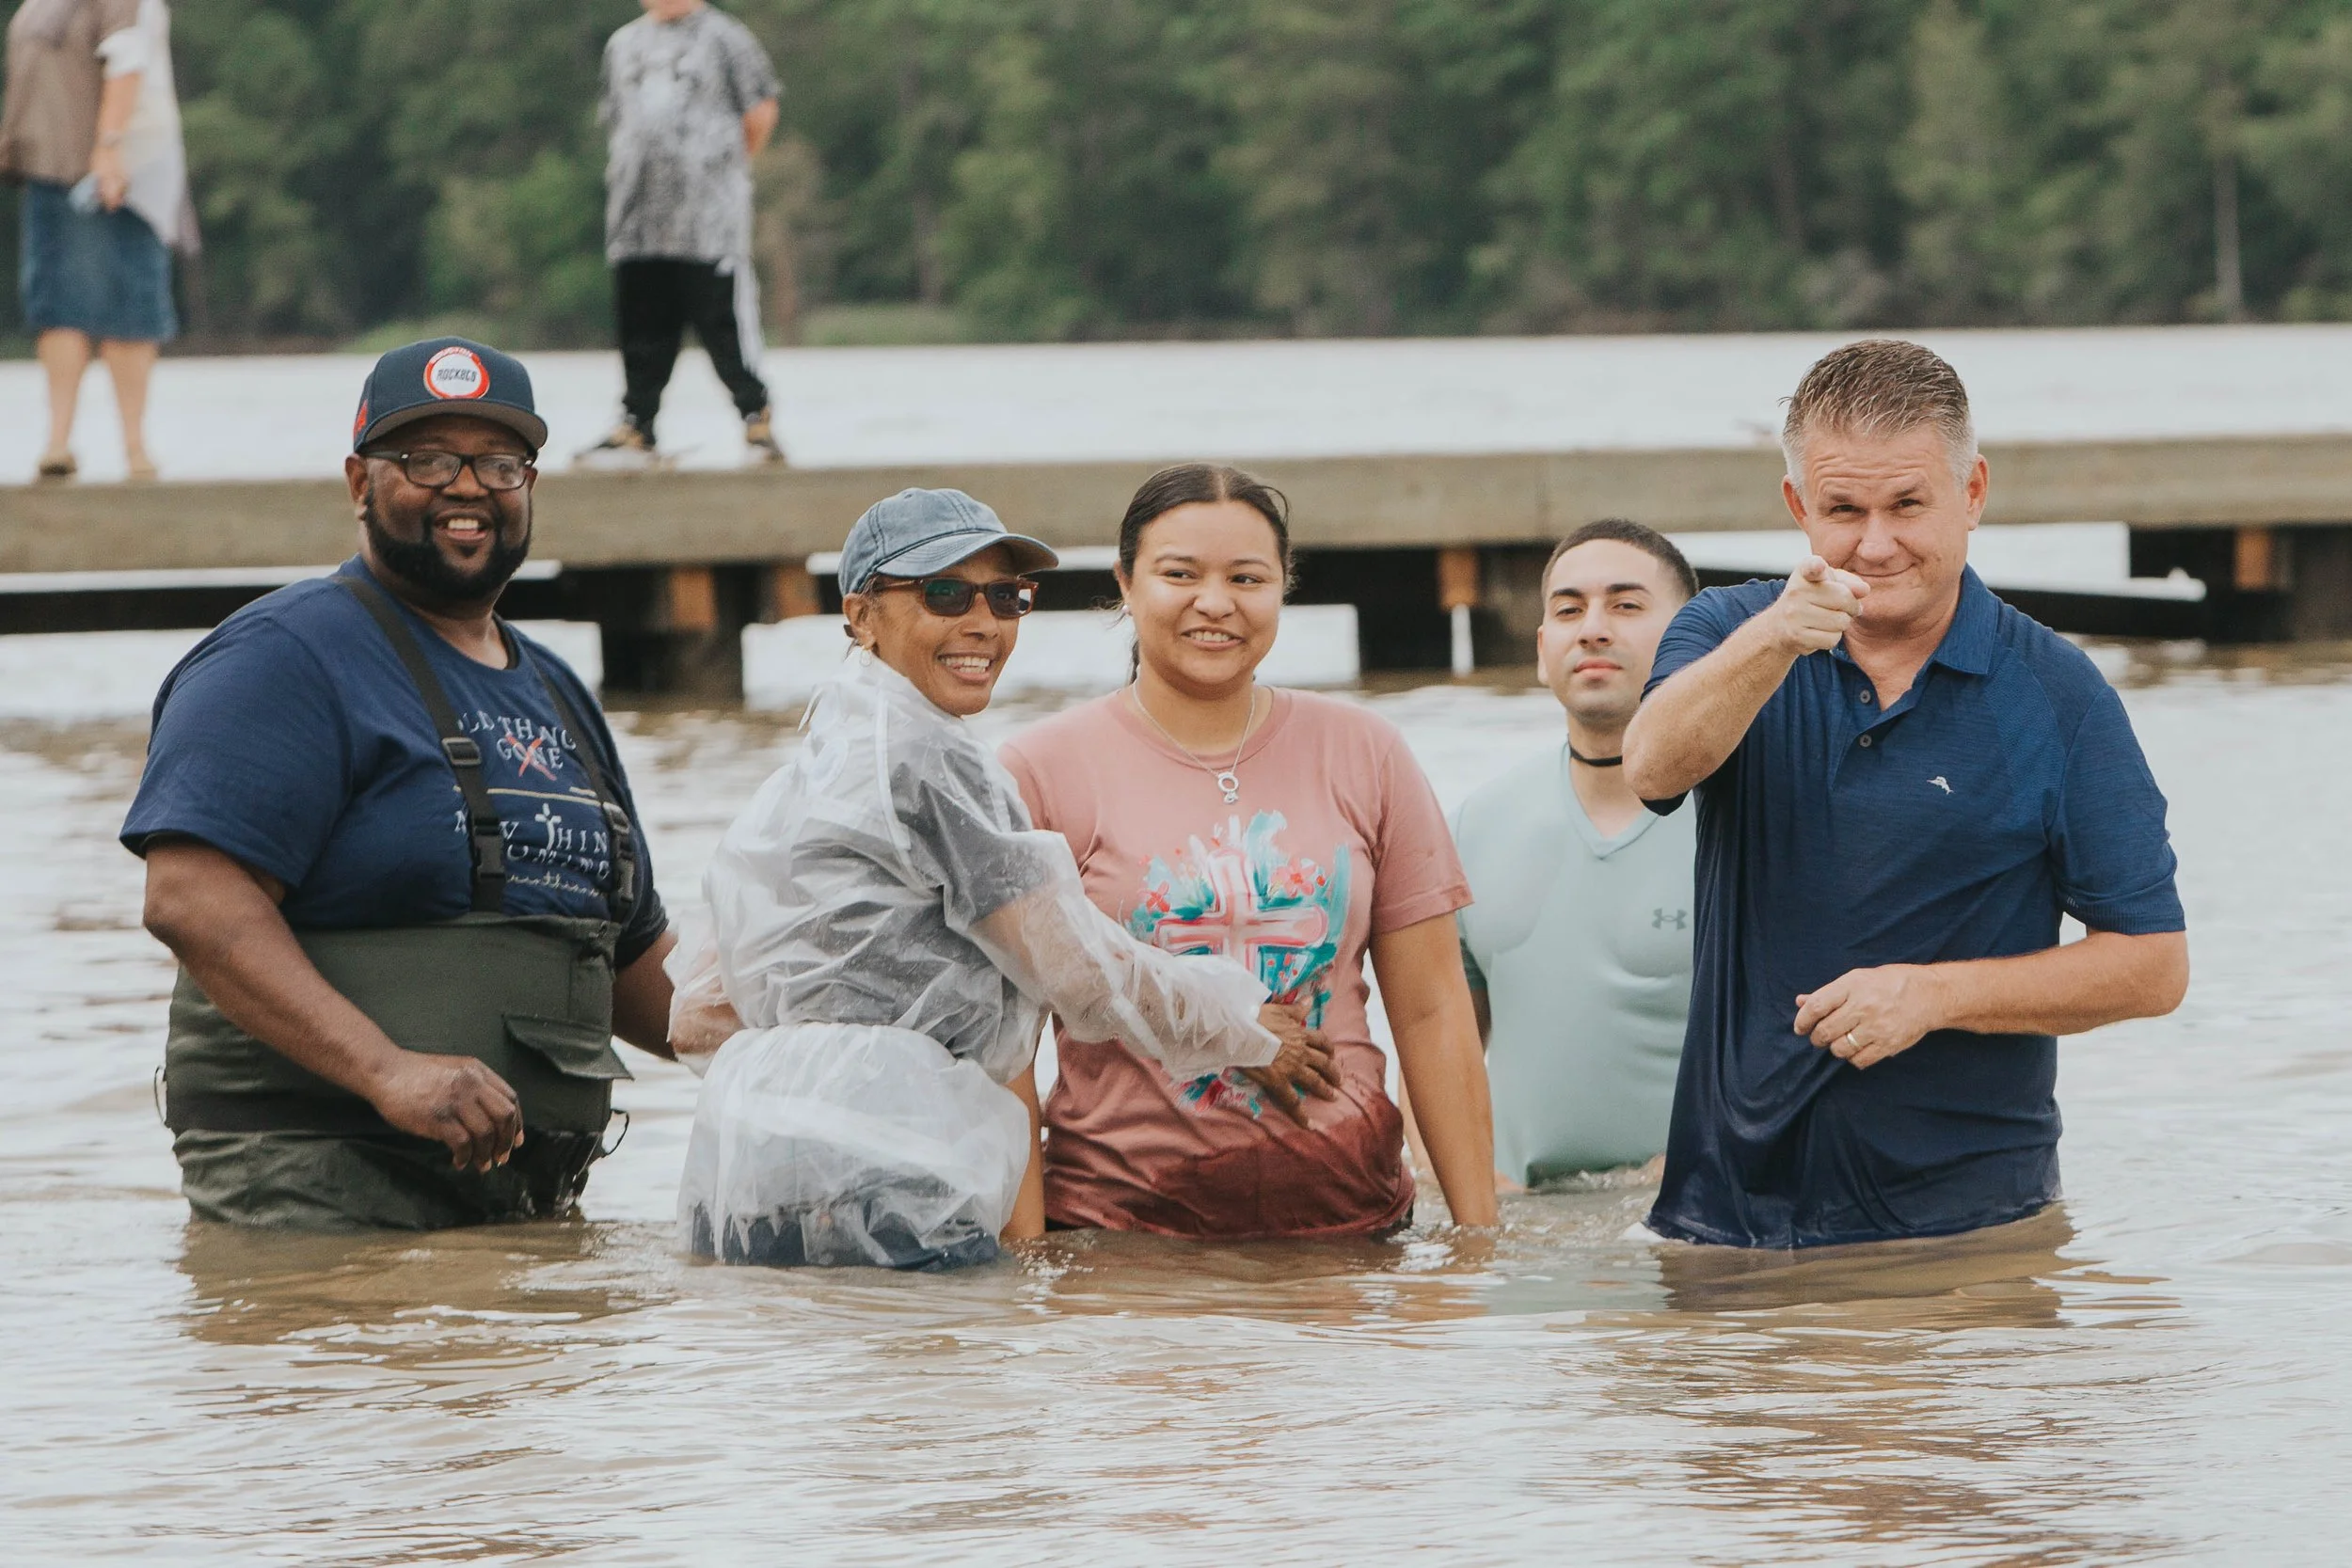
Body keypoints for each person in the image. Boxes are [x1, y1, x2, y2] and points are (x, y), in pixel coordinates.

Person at [1622, 338, 2189, 1249]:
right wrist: (1775, 642)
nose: (1875, 543)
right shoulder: (1727, 630)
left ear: (1971, 494)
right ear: (1797, 506)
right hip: (1724, 1220)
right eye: (1843, 508)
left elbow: (2153, 965)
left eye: (1907, 504)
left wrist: (1932, 995)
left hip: (1965, 1229)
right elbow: (1649, 768)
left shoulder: (2058, 694)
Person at [670, 487, 1327, 1270]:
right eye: (944, 593)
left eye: (1008, 597)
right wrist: (1240, 1026)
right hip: (890, 1172)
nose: (982, 622)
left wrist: (815, 1069)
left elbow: (698, 1013)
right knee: (950, 1382)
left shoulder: (804, 770)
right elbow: (1076, 970)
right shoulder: (933, 758)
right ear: (861, 615)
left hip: (747, 1174)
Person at [122, 337, 677, 1230]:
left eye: (498, 461)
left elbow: (636, 960)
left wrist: (785, 1044)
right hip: (318, 1199)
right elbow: (191, 898)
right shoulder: (286, 655)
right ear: (358, 482)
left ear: (530, 484)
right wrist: (388, 1068)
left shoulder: (559, 692)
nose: (467, 486)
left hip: (525, 1213)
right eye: (426, 458)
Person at [999, 464, 1501, 1240]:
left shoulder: (1366, 752)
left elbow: (1433, 1009)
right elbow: (1005, 1041)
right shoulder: (1042, 770)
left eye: (1247, 577)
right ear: (1126, 584)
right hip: (1122, 1236)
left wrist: (1478, 1243)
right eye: (1180, 573)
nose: (1216, 602)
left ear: (1283, 586)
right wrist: (1028, 1261)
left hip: (1354, 1224)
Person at [1453, 518, 1699, 1191]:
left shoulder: (1748, 823)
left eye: (1625, 605)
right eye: (1569, 609)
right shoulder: (1475, 824)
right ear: (1542, 649)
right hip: (1521, 1246)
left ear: (1693, 638)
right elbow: (1436, 1047)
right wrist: (1460, 1189)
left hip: (1694, 1230)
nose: (1592, 628)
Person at [578, 0, 784, 468]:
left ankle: (756, 416)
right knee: (642, 323)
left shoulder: (726, 37)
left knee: (721, 319)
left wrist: (721, 173)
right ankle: (637, 424)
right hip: (636, 216)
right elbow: (619, 121)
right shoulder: (623, 43)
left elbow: (761, 111)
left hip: (707, 219)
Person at [1, 0, 193, 483]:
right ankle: (58, 444)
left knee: (130, 308)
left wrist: (109, 149)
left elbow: (127, 63)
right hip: (53, 169)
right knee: (58, 306)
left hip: (120, 172)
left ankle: (135, 449)